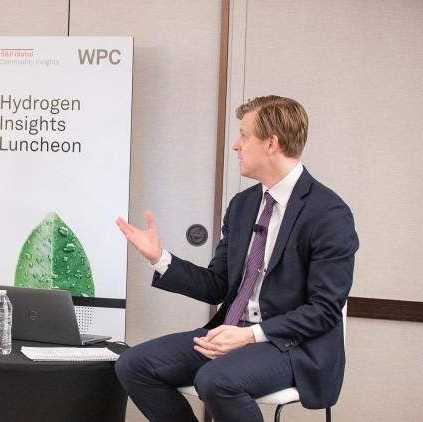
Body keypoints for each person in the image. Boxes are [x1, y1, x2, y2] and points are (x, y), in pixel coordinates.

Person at [115, 96, 358, 422]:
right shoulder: (244, 205)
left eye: (244, 135)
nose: (236, 145)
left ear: (271, 143)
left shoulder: (328, 213)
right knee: (133, 364)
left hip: (293, 346)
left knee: (215, 379)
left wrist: (249, 335)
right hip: (233, 333)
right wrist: (160, 258)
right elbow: (217, 285)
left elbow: (324, 310)